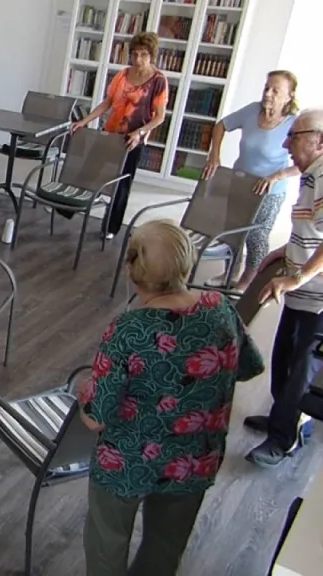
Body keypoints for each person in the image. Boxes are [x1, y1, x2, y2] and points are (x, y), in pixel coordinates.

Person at [79, 219, 263, 576]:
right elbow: (249, 367)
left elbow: (95, 417)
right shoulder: (220, 308)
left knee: (107, 544)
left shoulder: (128, 330)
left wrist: (84, 391)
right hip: (195, 459)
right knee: (164, 550)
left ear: (133, 269)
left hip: (127, 461)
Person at [244, 109, 323, 466]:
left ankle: (284, 439)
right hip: (300, 292)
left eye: (294, 136)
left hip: (317, 298)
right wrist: (283, 252)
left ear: (319, 141)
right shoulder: (310, 177)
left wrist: (297, 277)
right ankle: (280, 420)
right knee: (284, 358)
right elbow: (311, 232)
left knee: (300, 370)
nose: (286, 143)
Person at [202, 70, 301, 291]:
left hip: (270, 190)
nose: (268, 94)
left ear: (290, 95)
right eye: (267, 88)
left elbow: (305, 162)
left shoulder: (295, 123)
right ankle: (230, 273)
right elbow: (221, 125)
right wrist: (214, 155)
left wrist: (278, 176)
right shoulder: (252, 111)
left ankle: (248, 280)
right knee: (234, 232)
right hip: (240, 183)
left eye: (276, 90)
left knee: (256, 236)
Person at [71, 32, 168, 239]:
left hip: (133, 140)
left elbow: (159, 117)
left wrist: (140, 132)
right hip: (110, 133)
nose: (138, 59)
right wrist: (85, 121)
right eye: (135, 54)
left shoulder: (159, 81)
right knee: (90, 170)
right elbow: (107, 103)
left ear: (152, 55)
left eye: (143, 55)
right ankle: (66, 207)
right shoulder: (122, 75)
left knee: (122, 184)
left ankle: (111, 227)